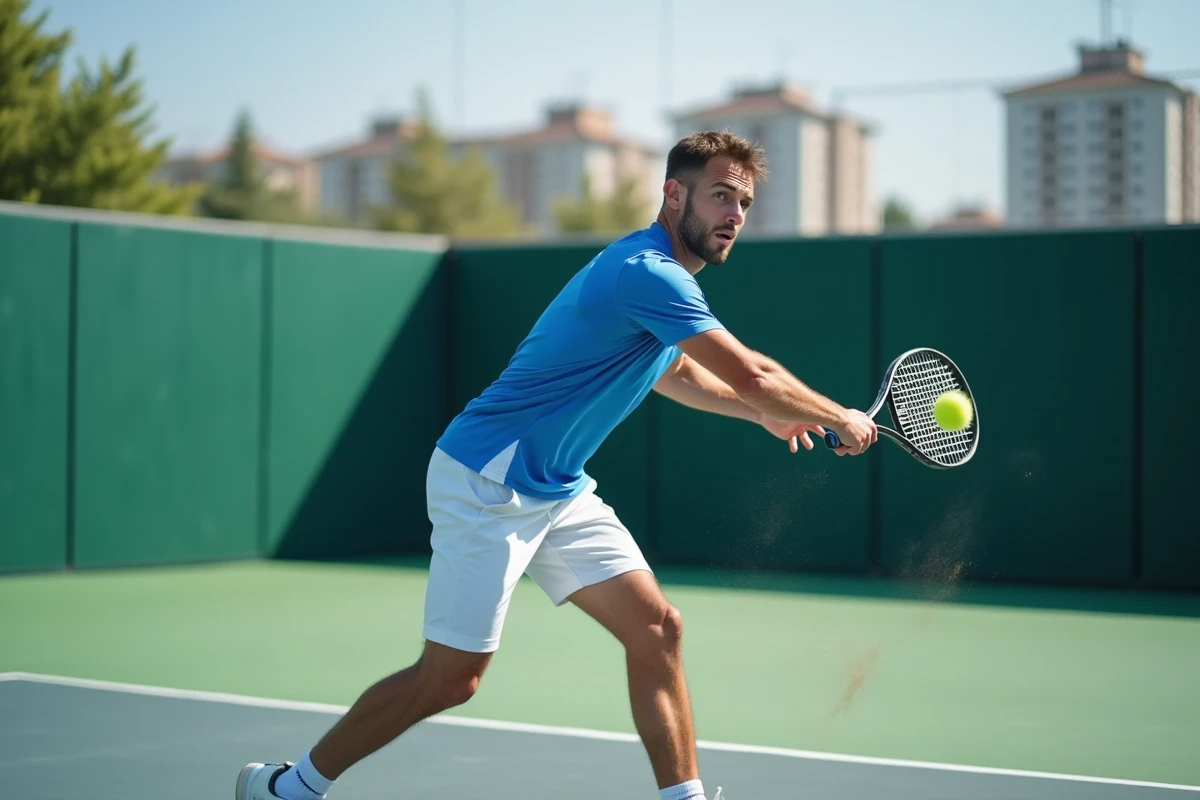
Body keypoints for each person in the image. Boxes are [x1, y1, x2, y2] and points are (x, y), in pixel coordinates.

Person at [235, 130, 878, 800]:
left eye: (743, 202)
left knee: (658, 629)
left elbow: (678, 373)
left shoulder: (662, 281)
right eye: (720, 195)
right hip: (488, 479)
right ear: (673, 193)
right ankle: (287, 788)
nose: (733, 215)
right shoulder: (646, 273)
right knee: (451, 679)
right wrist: (838, 416)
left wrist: (766, 413)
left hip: (558, 489)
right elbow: (748, 373)